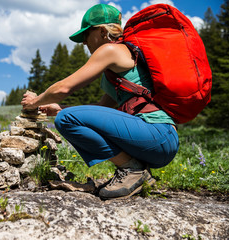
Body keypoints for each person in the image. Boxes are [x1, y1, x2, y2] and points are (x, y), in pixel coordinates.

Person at [21, 4, 179, 199]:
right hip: (160, 139)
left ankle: (132, 170)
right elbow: (101, 109)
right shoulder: (119, 67)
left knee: (65, 120)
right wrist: (59, 108)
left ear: (103, 32)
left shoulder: (112, 50)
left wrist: (34, 101)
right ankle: (135, 171)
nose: (84, 43)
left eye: (86, 36)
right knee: (64, 115)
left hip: (156, 134)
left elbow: (64, 88)